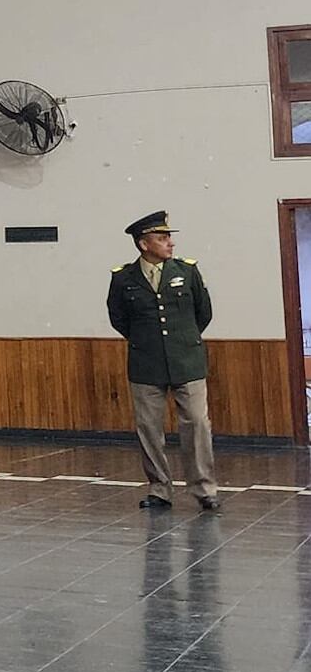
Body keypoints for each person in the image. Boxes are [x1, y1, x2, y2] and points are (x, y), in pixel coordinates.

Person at [107, 213, 219, 512]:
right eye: (162, 238)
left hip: (187, 359)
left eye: (169, 237)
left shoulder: (187, 271)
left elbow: (202, 313)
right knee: (149, 428)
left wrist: (181, 340)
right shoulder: (123, 278)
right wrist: (148, 342)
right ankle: (159, 489)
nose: (170, 242)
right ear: (144, 244)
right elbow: (118, 318)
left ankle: (204, 489)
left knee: (196, 424)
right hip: (146, 362)